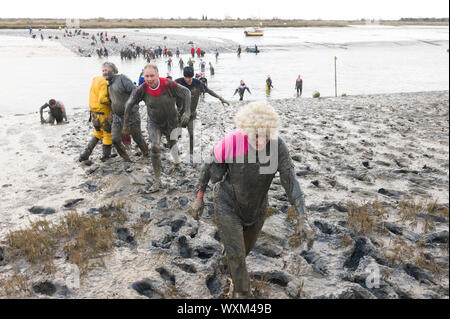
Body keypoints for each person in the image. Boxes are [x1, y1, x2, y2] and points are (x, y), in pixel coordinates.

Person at [190, 101, 314, 298]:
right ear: (245, 130)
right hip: (227, 203)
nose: (260, 139)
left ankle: (225, 265)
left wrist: (302, 216)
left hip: (257, 208)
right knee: (238, 256)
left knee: (242, 251)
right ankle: (242, 293)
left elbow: (291, 182)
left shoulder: (277, 146)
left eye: (265, 134)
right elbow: (207, 167)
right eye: (255, 134)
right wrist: (199, 197)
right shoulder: (232, 141)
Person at [123, 64, 191, 192]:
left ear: (157, 75)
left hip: (171, 121)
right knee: (154, 146)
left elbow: (186, 92)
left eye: (152, 76)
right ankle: (157, 180)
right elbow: (129, 103)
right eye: (146, 76)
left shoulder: (168, 84)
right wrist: (126, 124)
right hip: (154, 122)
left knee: (172, 143)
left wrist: (187, 112)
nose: (149, 79)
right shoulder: (142, 89)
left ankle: (176, 163)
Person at [175, 66, 229, 157]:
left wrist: (220, 98)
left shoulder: (197, 83)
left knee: (191, 134)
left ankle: (191, 154)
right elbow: (168, 93)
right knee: (177, 135)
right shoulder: (177, 82)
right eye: (186, 77)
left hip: (191, 114)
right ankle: (175, 151)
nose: (188, 80)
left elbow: (208, 91)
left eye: (190, 77)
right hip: (179, 114)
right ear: (183, 76)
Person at [102, 62, 149, 162]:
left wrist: (129, 103)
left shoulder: (122, 78)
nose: (104, 73)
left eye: (106, 70)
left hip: (131, 115)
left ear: (113, 70)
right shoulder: (109, 84)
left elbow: (134, 90)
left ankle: (146, 153)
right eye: (102, 71)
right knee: (114, 139)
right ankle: (126, 158)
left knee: (137, 137)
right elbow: (114, 100)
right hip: (117, 117)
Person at [79, 75, 112, 162]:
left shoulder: (95, 80)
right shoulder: (104, 82)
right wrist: (112, 100)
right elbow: (102, 99)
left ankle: (85, 154)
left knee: (97, 133)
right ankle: (106, 156)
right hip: (103, 113)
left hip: (94, 113)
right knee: (107, 134)